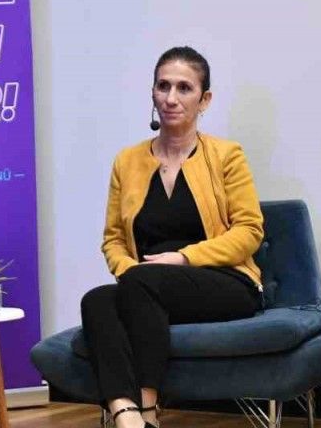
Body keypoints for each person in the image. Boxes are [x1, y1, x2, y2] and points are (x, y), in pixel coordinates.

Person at [81, 47, 265, 428]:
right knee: (96, 300)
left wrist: (183, 258)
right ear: (152, 92)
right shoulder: (127, 161)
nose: (171, 98)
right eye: (163, 86)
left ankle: (148, 406)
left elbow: (249, 231)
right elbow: (113, 239)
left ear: (204, 99)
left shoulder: (227, 156)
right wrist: (130, 271)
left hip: (223, 281)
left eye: (184, 88)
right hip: (146, 288)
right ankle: (126, 414)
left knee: (140, 283)